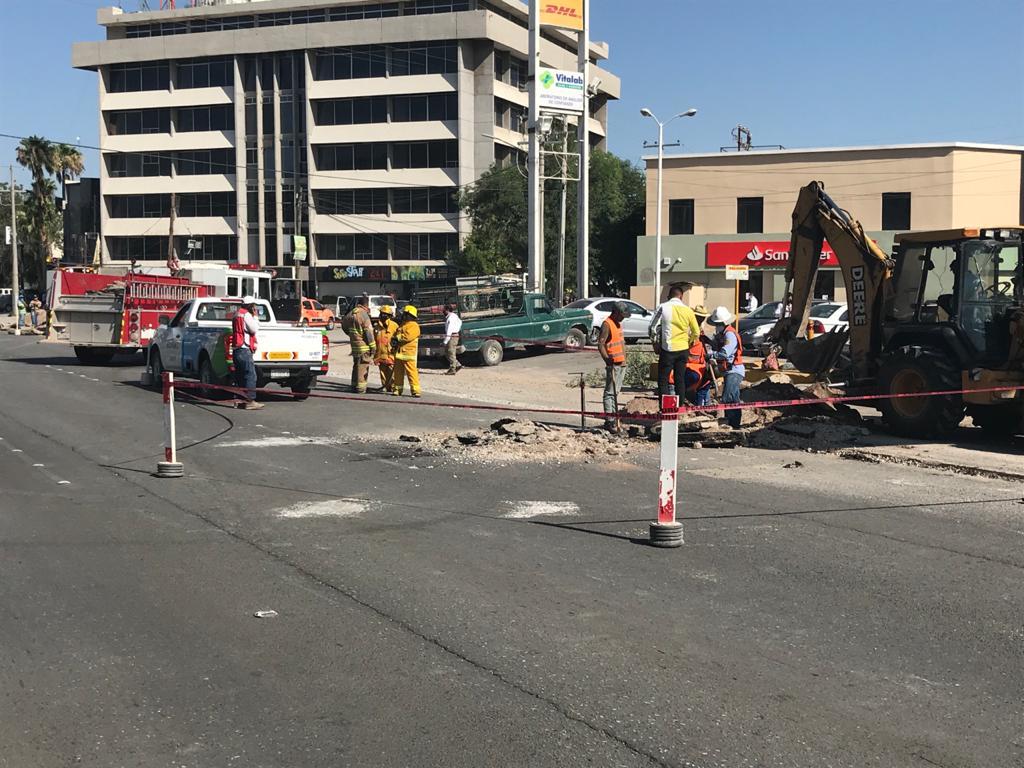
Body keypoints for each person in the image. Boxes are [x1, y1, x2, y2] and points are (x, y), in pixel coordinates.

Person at [649, 285, 701, 400]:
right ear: (681, 296)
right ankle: (680, 406)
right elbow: (696, 332)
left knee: (663, 379)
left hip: (667, 349)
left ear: (669, 296)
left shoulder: (663, 307)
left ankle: (665, 408)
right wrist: (689, 342)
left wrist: (655, 343)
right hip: (683, 349)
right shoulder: (688, 311)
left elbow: (652, 328)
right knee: (680, 379)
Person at [707, 306, 745, 428]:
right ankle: (732, 423)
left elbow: (724, 353)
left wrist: (711, 354)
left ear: (723, 323)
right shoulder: (724, 334)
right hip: (729, 370)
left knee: (729, 396)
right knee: (732, 397)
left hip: (734, 370)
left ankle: (733, 424)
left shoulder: (730, 335)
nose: (716, 327)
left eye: (717, 324)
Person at [598, 301, 629, 432]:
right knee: (610, 393)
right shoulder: (607, 324)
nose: (623, 317)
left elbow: (621, 342)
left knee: (615, 393)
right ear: (615, 313)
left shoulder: (618, 324)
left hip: (621, 363)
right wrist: (607, 360)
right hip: (613, 364)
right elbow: (601, 344)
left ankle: (615, 418)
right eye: (622, 315)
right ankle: (609, 420)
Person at [232, 296, 263, 410]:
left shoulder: (237, 314)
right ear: (251, 306)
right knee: (250, 375)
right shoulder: (247, 315)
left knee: (240, 376)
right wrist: (255, 316)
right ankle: (250, 400)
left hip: (237, 349)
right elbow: (254, 329)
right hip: (244, 349)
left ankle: (239, 401)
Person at [342, 295, 376, 394]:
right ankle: (360, 388)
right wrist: (373, 347)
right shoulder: (364, 315)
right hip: (363, 346)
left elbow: (344, 325)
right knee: (363, 366)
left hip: (354, 345)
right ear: (366, 305)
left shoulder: (352, 313)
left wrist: (351, 335)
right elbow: (368, 332)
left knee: (356, 365)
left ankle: (354, 385)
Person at [683, 305, 713, 407]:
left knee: (706, 384)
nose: (702, 319)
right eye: (700, 317)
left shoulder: (700, 328)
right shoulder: (689, 328)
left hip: (701, 365)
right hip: (690, 367)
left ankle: (703, 406)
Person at [392, 305, 421, 397]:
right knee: (398, 373)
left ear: (410, 315)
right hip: (399, 353)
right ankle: (397, 389)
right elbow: (397, 335)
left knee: (411, 373)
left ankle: (415, 390)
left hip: (409, 354)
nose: (403, 315)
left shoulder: (414, 326)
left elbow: (408, 337)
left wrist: (397, 338)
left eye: (405, 313)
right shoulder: (403, 325)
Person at [372, 305, 398, 393]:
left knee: (392, 373)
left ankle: (394, 387)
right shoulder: (376, 327)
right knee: (383, 373)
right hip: (380, 354)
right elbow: (374, 340)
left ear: (390, 316)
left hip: (391, 355)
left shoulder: (394, 326)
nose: (383, 316)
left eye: (385, 314)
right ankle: (386, 387)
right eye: (382, 313)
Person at [443, 302, 463, 375]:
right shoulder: (454, 316)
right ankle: (457, 365)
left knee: (450, 352)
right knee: (448, 352)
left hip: (452, 336)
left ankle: (452, 369)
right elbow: (460, 322)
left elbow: (449, 331)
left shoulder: (450, 318)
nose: (443, 311)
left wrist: (445, 341)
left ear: (447, 310)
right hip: (455, 335)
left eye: (444, 310)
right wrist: (457, 329)